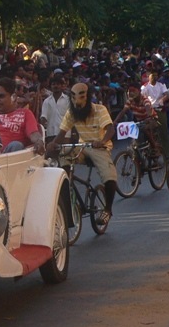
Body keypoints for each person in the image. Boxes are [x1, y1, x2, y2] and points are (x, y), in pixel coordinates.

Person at [48, 82, 117, 226]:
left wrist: (102, 141)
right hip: (82, 145)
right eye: (73, 98)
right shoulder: (72, 113)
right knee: (63, 153)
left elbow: (110, 129)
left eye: (81, 97)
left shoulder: (100, 110)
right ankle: (67, 184)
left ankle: (108, 209)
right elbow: (61, 133)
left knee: (109, 176)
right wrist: (52, 145)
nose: (77, 102)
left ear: (88, 97)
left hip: (99, 147)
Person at [0, 77, 44, 153]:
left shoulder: (25, 114)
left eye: (1, 96)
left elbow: (33, 133)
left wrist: (39, 141)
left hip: (10, 158)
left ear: (13, 97)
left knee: (16, 145)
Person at [40, 74, 69, 142]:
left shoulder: (68, 100)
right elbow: (43, 117)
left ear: (62, 86)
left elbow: (72, 117)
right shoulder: (47, 101)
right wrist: (41, 133)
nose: (56, 86)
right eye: (53, 84)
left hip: (66, 135)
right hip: (51, 134)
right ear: (50, 87)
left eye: (58, 84)